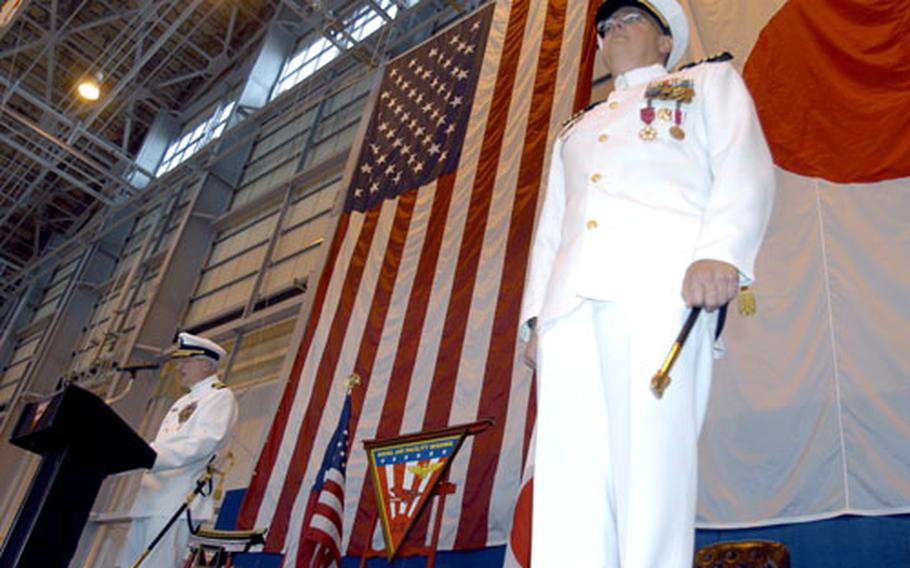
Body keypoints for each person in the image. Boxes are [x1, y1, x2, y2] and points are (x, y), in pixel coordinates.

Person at [519, 0, 775, 566]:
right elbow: (552, 226)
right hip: (570, 306)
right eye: (606, 28)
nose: (613, 32)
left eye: (630, 20)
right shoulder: (576, 128)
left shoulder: (707, 83)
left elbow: (745, 161)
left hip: (660, 287)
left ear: (666, 41)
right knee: (571, 476)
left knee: (651, 467)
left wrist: (722, 252)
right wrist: (536, 317)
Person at [118, 332, 238, 568]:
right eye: (178, 361)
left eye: (186, 361)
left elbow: (202, 442)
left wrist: (151, 456)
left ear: (205, 364)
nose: (178, 367)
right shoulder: (182, 402)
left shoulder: (219, 396)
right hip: (151, 497)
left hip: (175, 499)